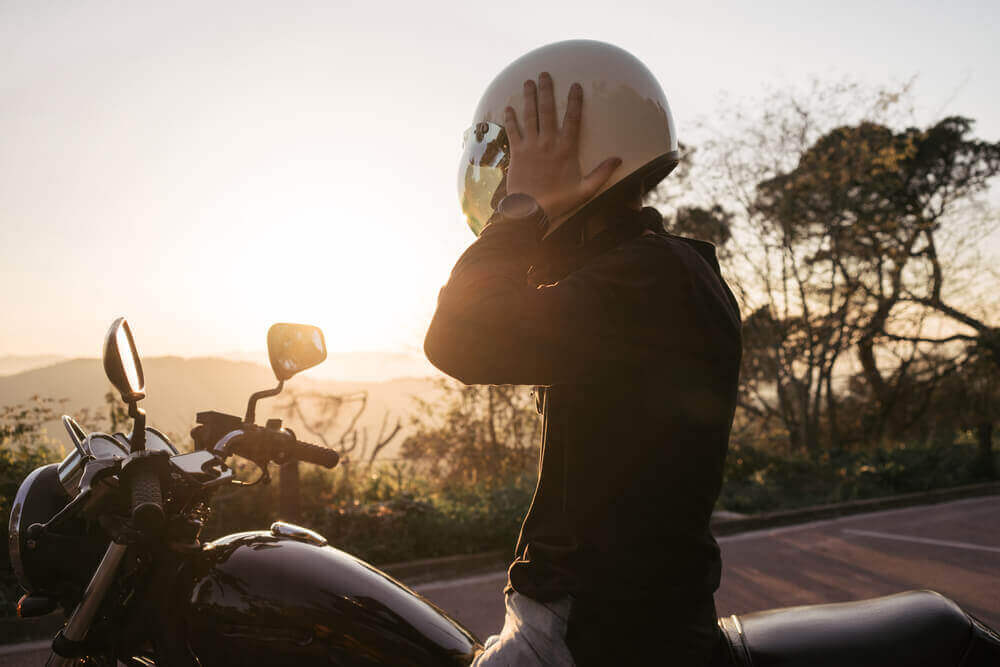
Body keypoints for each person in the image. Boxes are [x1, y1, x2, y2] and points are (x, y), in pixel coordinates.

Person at [424, 40, 742, 666]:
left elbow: (459, 337)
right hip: (606, 625)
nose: (506, 185)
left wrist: (523, 208)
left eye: (519, 166)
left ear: (582, 155)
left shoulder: (650, 280)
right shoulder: (644, 275)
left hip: (598, 635)